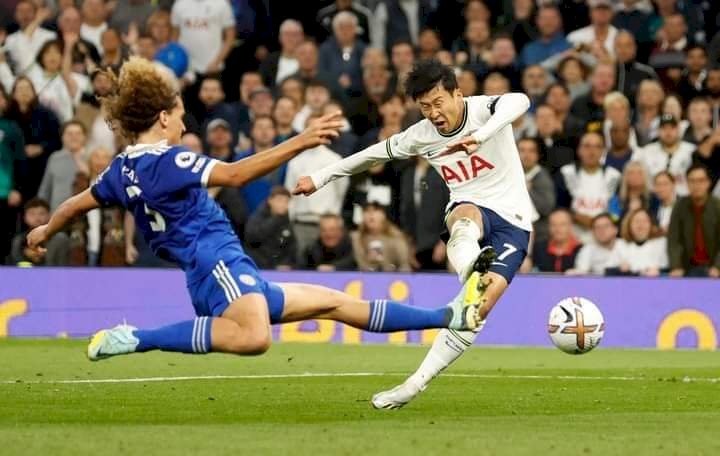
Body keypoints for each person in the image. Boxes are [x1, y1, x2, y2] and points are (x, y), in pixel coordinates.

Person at [25, 57, 483, 361]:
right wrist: (300, 140)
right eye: (180, 113)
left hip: (215, 267)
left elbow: (75, 203)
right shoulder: (170, 159)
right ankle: (135, 338)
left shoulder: (120, 170)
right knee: (255, 338)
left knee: (336, 302)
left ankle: (449, 316)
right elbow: (236, 175)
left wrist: (44, 230)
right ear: (163, 118)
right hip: (216, 262)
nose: (184, 121)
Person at [293, 59, 533, 408]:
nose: (433, 113)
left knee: (474, 312)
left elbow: (521, 101)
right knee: (463, 217)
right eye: (424, 107)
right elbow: (371, 155)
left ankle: (414, 385)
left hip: (514, 221)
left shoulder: (484, 110)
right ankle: (470, 270)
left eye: (438, 103)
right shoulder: (420, 135)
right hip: (469, 205)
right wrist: (321, 177)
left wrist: (479, 136)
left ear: (457, 94)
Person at [667, 165, 720, 277]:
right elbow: (673, 240)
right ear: (687, 183)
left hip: (714, 267)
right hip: (688, 268)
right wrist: (676, 266)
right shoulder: (680, 206)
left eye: (701, 180)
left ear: (708, 183)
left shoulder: (717, 206)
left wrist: (717, 267)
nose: (696, 185)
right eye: (692, 181)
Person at [632, 114, 694, 196]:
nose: (668, 132)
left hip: (684, 199)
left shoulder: (691, 150)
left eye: (672, 128)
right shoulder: (646, 151)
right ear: (658, 131)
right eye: (664, 128)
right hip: (654, 200)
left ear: (678, 130)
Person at [37, 120, 89, 212]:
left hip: (85, 214)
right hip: (57, 213)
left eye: (78, 133)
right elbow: (45, 189)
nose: (74, 137)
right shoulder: (54, 158)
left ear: (84, 137)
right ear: (62, 137)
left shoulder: (93, 157)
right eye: (69, 134)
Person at [244, 185, 296, 270]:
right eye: (279, 200)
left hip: (279, 269)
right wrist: (276, 220)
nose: (282, 204)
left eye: (286, 202)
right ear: (270, 200)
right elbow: (252, 238)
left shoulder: (287, 223)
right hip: (257, 265)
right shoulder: (257, 218)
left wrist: (285, 264)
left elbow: (291, 249)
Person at [11, 197, 69, 266]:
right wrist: (25, 255)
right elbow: (14, 266)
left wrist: (43, 256)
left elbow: (63, 266)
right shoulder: (18, 240)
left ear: (49, 216)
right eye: (32, 214)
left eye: (42, 213)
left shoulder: (61, 239)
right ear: (24, 217)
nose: (37, 218)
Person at [616, 207, 668, 276]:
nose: (641, 225)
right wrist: (620, 270)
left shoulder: (662, 242)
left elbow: (670, 270)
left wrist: (660, 272)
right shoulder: (620, 244)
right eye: (636, 221)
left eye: (645, 221)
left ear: (651, 224)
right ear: (629, 225)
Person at [530, 208, 582, 273]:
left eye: (563, 224)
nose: (557, 229)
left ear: (571, 226)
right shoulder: (538, 248)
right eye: (553, 224)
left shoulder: (582, 250)